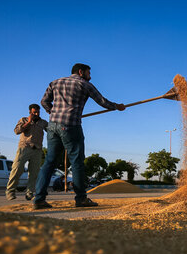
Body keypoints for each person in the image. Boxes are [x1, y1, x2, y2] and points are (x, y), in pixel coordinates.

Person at [34, 63, 126, 209]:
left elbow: (44, 102)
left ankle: (39, 199)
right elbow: (102, 101)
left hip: (52, 127)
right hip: (70, 126)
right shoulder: (85, 84)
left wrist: (53, 112)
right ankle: (81, 198)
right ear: (81, 72)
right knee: (77, 162)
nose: (90, 76)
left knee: (49, 162)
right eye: (89, 73)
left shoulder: (55, 82)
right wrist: (117, 106)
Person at [6, 104, 48, 201]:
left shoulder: (43, 122)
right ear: (30, 112)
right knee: (17, 169)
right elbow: (16, 131)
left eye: (38, 112)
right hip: (24, 148)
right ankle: (10, 191)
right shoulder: (23, 120)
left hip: (37, 150)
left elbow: (51, 130)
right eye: (34, 112)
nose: (36, 114)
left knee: (34, 173)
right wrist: (28, 122)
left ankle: (30, 193)